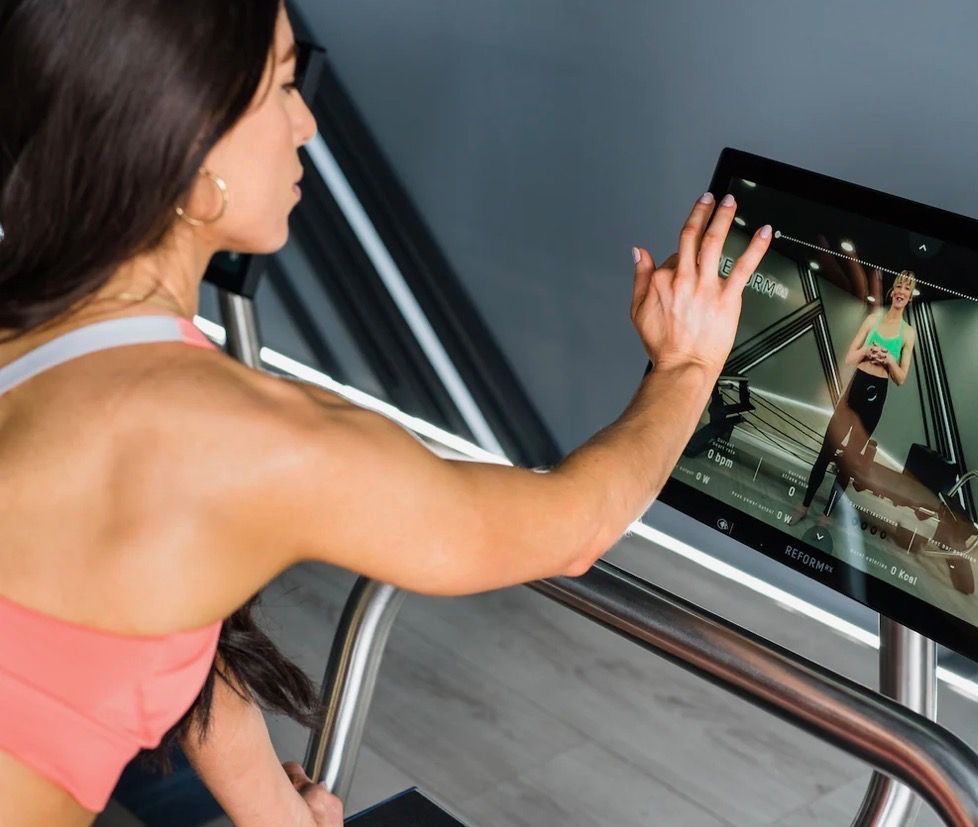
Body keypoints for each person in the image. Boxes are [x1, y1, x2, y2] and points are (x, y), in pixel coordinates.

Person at [0, 2, 773, 824]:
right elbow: (571, 529)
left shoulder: (36, 323)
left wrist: (274, 813)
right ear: (187, 155)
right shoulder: (244, 438)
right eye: (283, 87)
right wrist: (686, 368)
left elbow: (162, 615)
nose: (305, 123)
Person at [790, 271, 917, 525]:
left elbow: (901, 378)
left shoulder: (908, 333)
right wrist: (868, 351)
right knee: (826, 451)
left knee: (849, 459)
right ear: (893, 291)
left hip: (875, 396)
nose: (902, 291)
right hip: (855, 388)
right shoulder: (873, 319)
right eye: (900, 286)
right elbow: (850, 358)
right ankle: (803, 506)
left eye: (908, 289)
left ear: (910, 297)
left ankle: (826, 515)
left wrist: (889, 359)